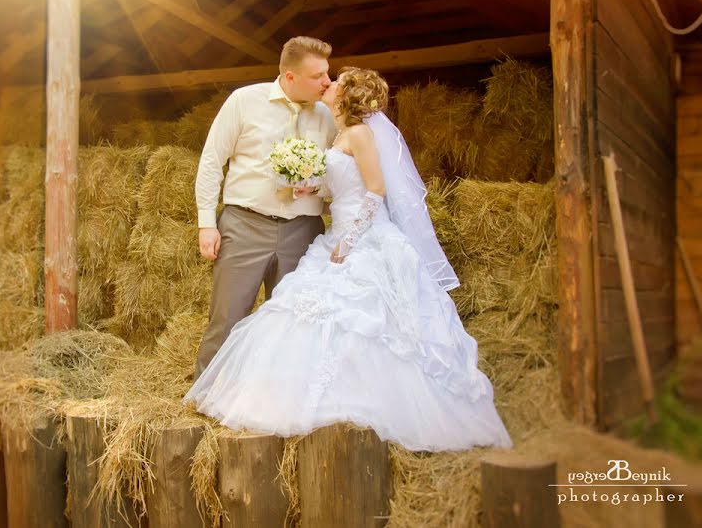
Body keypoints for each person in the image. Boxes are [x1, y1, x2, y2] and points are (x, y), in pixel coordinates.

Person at [184, 67, 512, 451]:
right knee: (306, 314)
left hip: (362, 238)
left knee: (363, 322)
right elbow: (340, 187)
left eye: (336, 82)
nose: (328, 84)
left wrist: (349, 242)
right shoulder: (338, 133)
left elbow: (375, 191)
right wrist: (310, 186)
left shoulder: (359, 133)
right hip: (337, 233)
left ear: (348, 96)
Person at [193, 37, 337, 379]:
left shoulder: (328, 114)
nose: (327, 82)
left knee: (295, 320)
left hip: (304, 230)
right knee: (227, 316)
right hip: (244, 225)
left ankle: (282, 400)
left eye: (327, 73)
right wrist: (205, 222)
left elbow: (343, 171)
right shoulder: (244, 101)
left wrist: (320, 187)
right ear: (290, 77)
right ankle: (206, 395)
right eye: (318, 76)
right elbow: (213, 160)